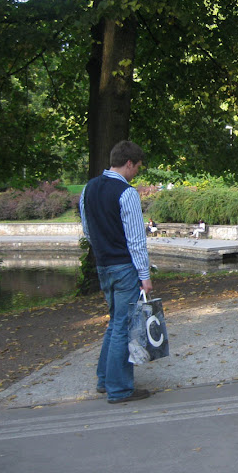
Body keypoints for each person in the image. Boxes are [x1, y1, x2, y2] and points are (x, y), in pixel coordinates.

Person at [79, 140, 153, 403]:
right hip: (124, 268)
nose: (136, 173)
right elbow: (135, 240)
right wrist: (145, 276)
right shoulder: (127, 193)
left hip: (103, 266)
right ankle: (119, 389)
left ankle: (104, 380)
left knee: (115, 323)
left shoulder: (89, 189)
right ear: (129, 163)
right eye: (137, 168)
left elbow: (87, 230)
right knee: (123, 326)